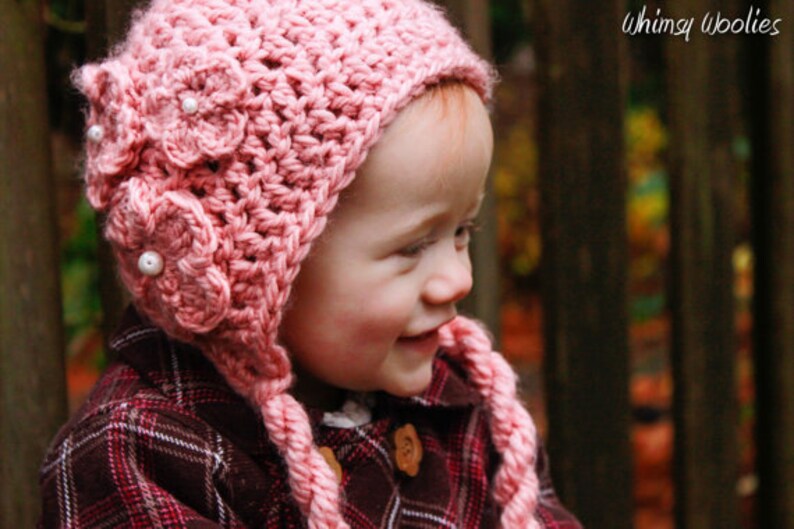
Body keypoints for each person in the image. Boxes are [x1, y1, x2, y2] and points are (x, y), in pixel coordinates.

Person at [40, 0, 582, 527]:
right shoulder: (144, 457)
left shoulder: (460, 403)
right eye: (413, 247)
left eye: (463, 230)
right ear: (260, 264)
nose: (459, 279)